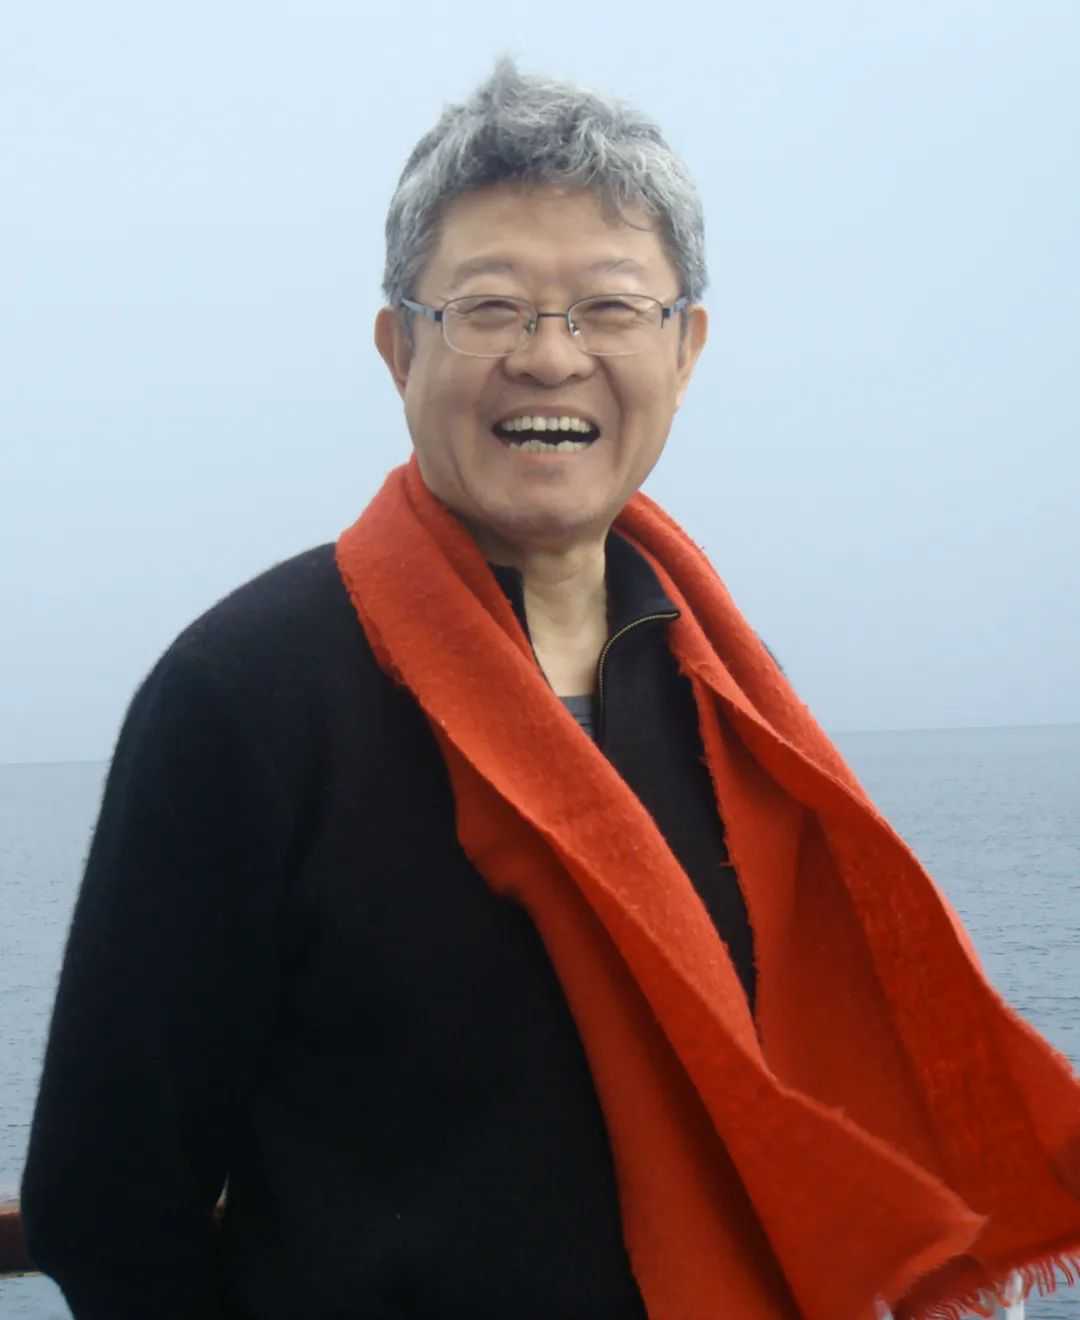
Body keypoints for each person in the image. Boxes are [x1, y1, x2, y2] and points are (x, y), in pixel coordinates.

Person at [21, 60, 1080, 1320]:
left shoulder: (719, 694)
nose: (550, 356)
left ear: (685, 351)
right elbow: (107, 1197)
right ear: (398, 349)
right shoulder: (244, 700)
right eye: (491, 308)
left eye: (609, 308)